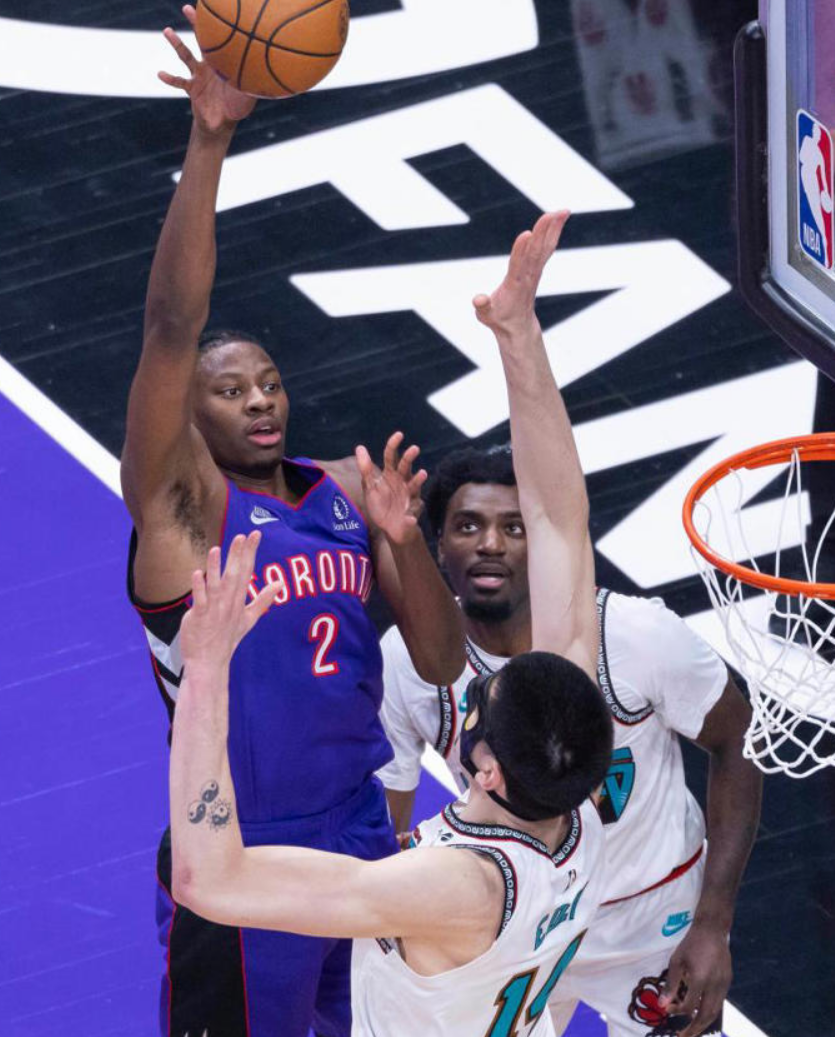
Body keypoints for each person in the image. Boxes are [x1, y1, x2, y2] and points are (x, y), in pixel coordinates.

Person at [121, 10, 465, 1037]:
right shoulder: (182, 511)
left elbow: (441, 663)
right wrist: (210, 139)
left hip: (360, 834)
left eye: (269, 381)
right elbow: (170, 326)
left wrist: (404, 542)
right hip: (241, 846)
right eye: (230, 391)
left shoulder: (345, 497)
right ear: (189, 414)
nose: (261, 400)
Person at [379, 211, 762, 1037]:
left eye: (510, 528)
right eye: (466, 525)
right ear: (437, 544)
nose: (491, 543)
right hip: (519, 914)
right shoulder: (412, 661)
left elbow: (560, 513)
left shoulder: (615, 641)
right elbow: (388, 803)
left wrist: (713, 924)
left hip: (649, 916)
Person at [167, 369, 615, 1033]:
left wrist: (204, 670)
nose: (471, 694)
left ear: (488, 770)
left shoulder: (454, 887)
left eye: (479, 706)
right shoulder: (580, 816)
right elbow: (562, 520)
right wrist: (516, 333)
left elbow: (209, 883)